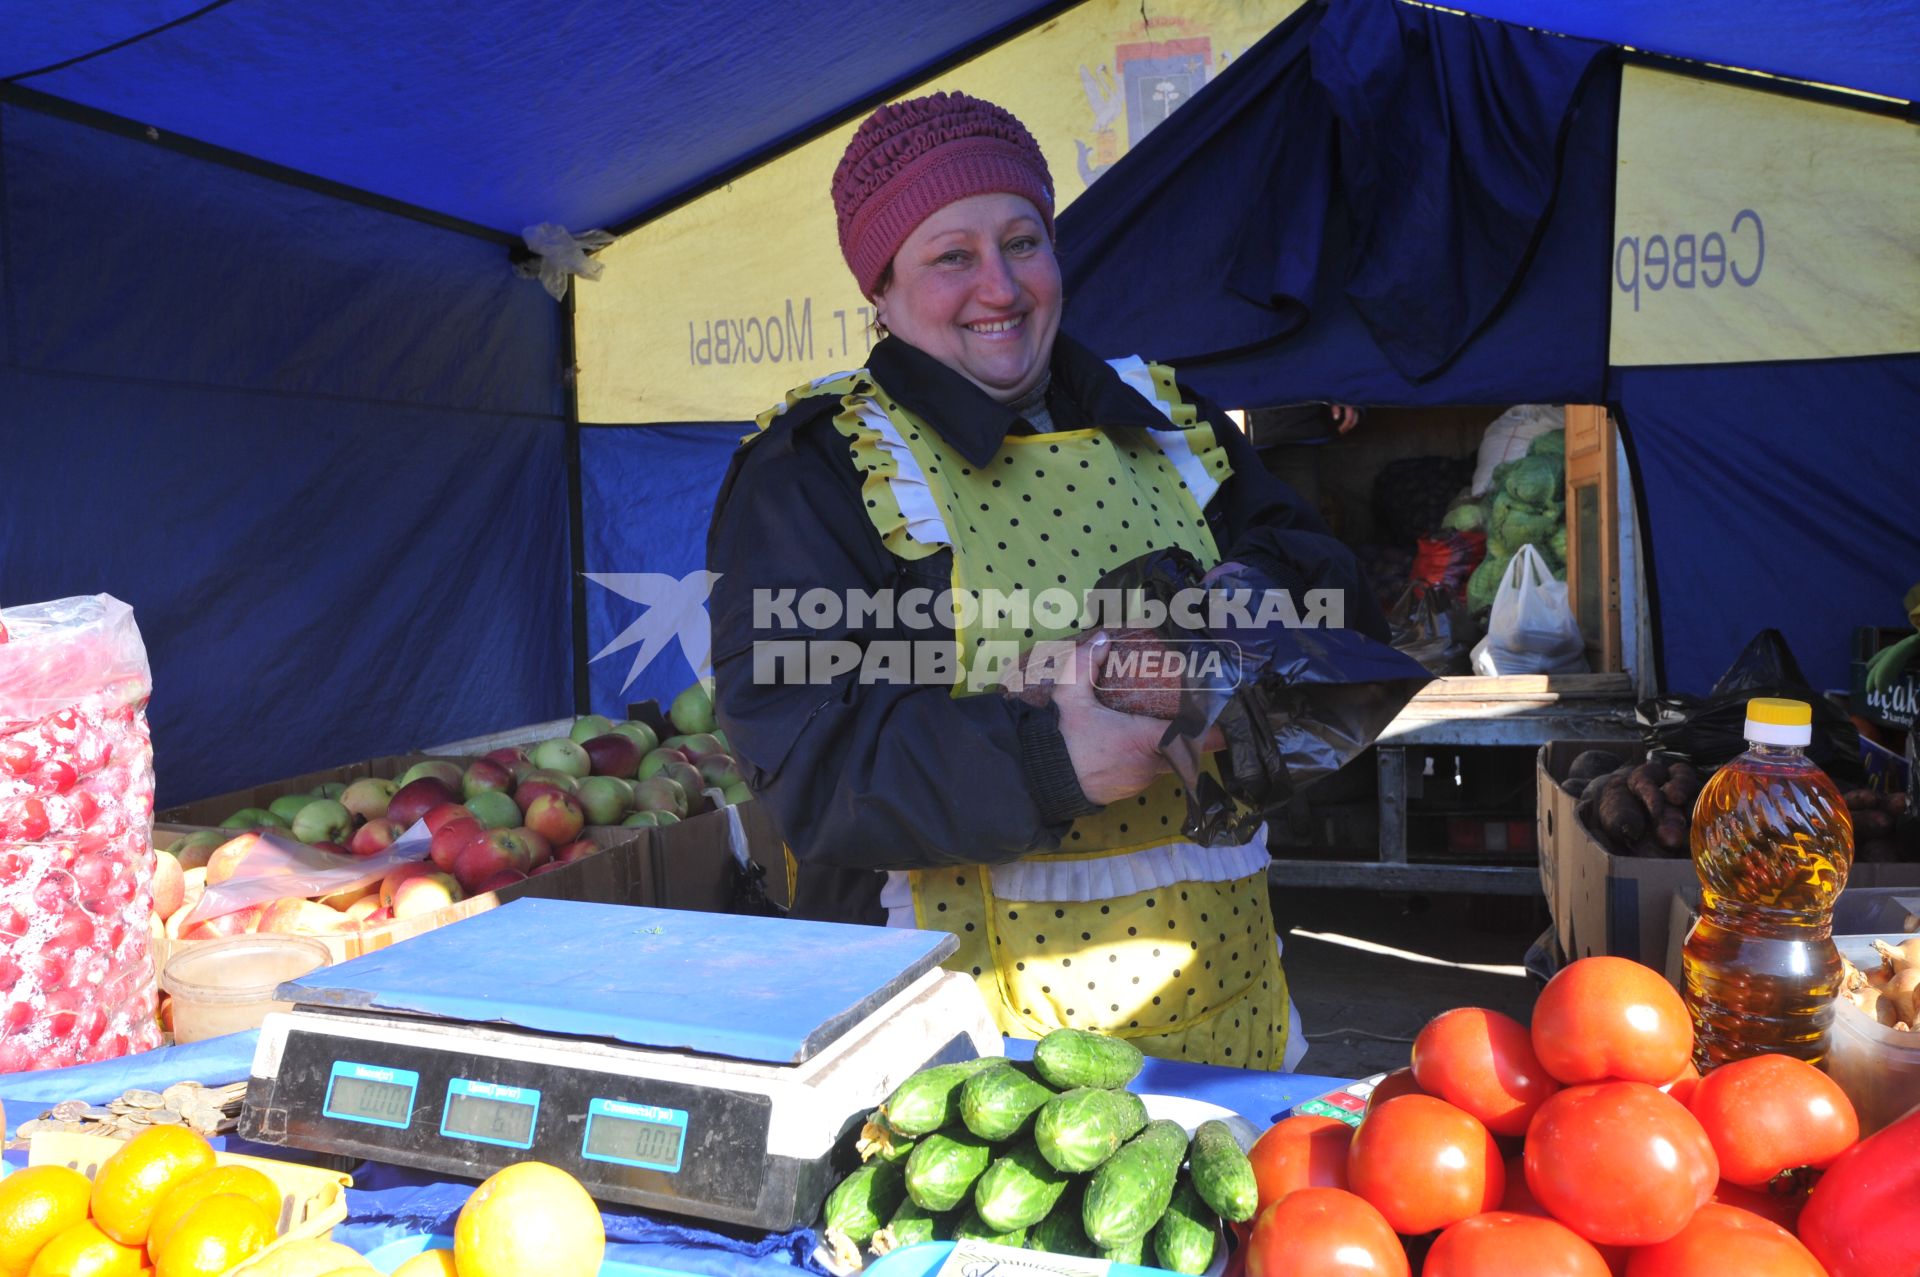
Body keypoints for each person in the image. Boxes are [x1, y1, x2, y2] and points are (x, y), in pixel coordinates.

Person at [706, 91, 1387, 1071]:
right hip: (963, 1055)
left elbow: (1335, 611)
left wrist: (1218, 622)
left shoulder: (1169, 417)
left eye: (1024, 241)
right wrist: (1053, 755)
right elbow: (812, 765)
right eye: (952, 256)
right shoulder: (814, 469)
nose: (1002, 287)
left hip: (1225, 1006)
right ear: (883, 289)